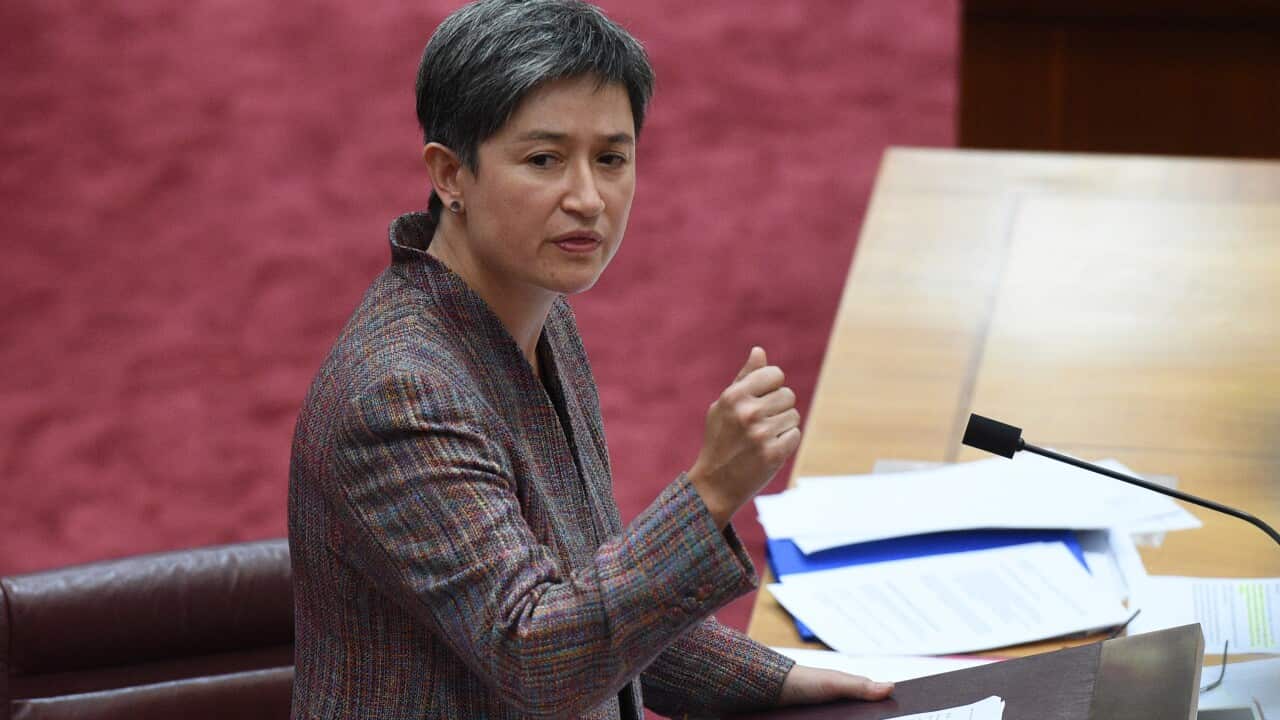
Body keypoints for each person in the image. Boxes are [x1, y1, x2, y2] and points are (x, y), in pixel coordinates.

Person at [287, 1, 893, 717]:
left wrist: (777, 679)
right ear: (451, 175)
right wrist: (710, 490)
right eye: (544, 160)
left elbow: (591, 596)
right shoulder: (401, 395)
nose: (588, 199)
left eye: (611, 159)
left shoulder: (536, 311)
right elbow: (539, 657)